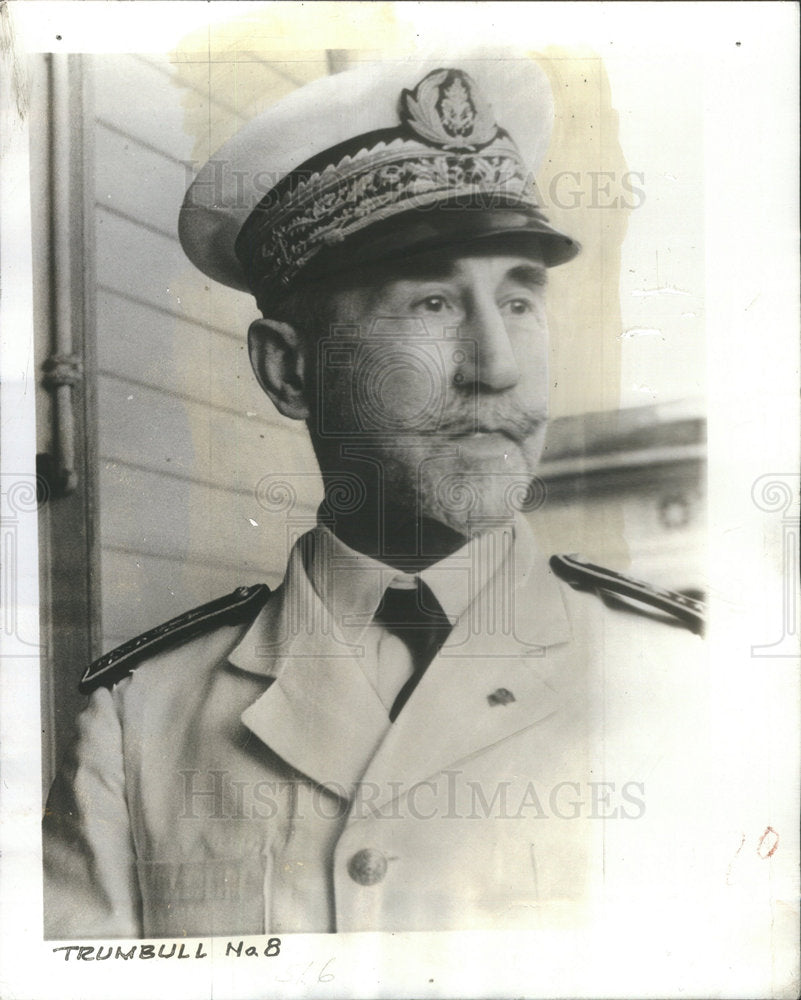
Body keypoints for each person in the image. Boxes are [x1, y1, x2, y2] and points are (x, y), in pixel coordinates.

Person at [42, 58, 706, 939]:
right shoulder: (138, 725)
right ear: (289, 369)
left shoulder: (682, 681)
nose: (496, 366)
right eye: (430, 303)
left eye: (518, 300)